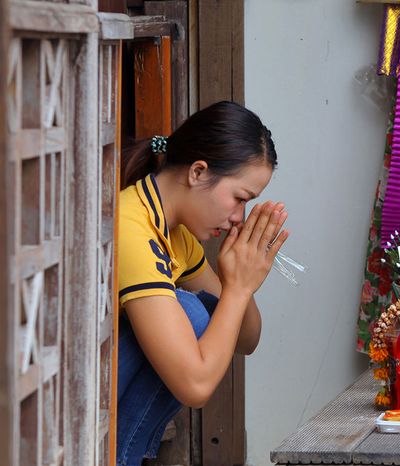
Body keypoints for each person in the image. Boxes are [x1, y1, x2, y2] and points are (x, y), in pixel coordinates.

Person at [116, 101, 289, 465]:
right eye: (239, 198)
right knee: (194, 314)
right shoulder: (130, 225)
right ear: (197, 171)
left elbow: (246, 339)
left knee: (206, 311)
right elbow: (195, 386)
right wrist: (237, 289)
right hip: (64, 404)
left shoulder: (175, 233)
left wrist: (238, 280)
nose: (237, 217)